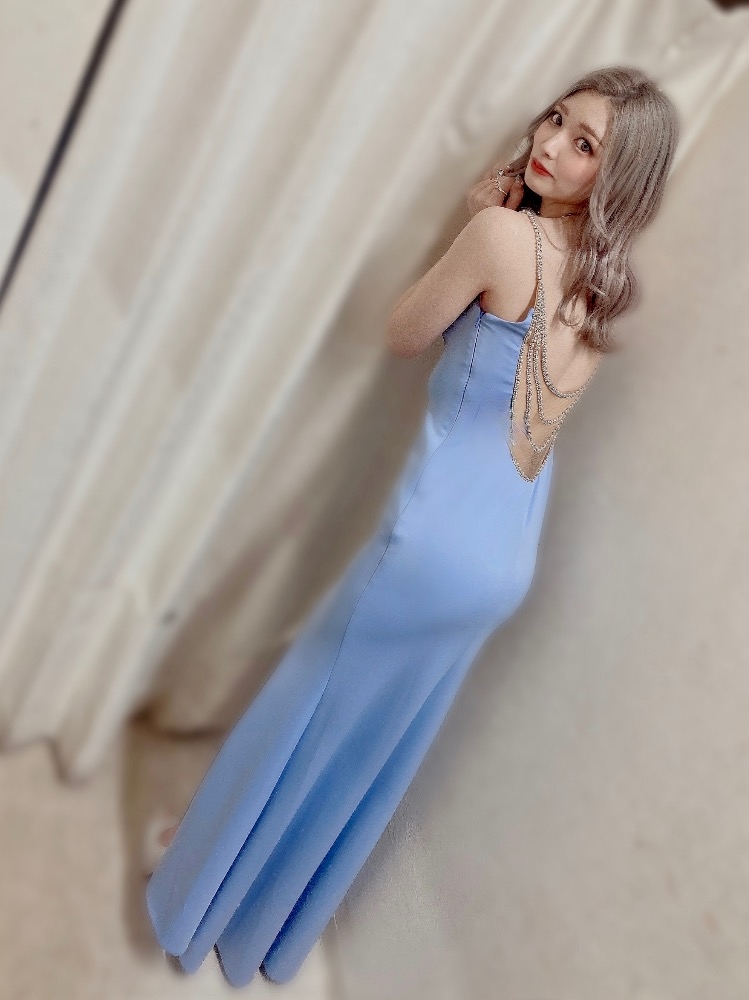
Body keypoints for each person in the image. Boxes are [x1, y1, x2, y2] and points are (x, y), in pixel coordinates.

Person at [144, 64, 680, 986]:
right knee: (368, 751)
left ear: (615, 177)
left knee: (305, 704)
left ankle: (191, 896)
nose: (549, 145)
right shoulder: (603, 289)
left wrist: (469, 224)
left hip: (430, 544)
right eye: (556, 120)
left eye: (584, 144)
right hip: (503, 559)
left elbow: (402, 333)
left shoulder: (502, 235)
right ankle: (265, 929)